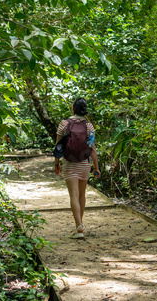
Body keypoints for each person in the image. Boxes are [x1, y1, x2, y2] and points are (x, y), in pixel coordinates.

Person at [54, 98, 100, 239]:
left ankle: (79, 227)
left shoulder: (64, 124)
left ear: (73, 109)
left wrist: (57, 164)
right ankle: (79, 225)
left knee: (73, 195)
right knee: (81, 195)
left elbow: (58, 147)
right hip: (84, 164)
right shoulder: (89, 127)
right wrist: (96, 167)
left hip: (69, 163)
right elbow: (92, 149)